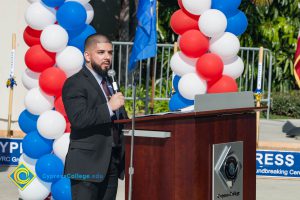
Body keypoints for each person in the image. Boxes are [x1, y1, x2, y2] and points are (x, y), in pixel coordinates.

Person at [62, 33, 128, 200]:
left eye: (110, 53)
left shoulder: (110, 83)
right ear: (87, 55)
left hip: (111, 162)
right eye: (101, 52)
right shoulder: (75, 82)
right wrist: (109, 107)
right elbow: (79, 119)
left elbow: (119, 119)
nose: (107, 57)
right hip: (87, 164)